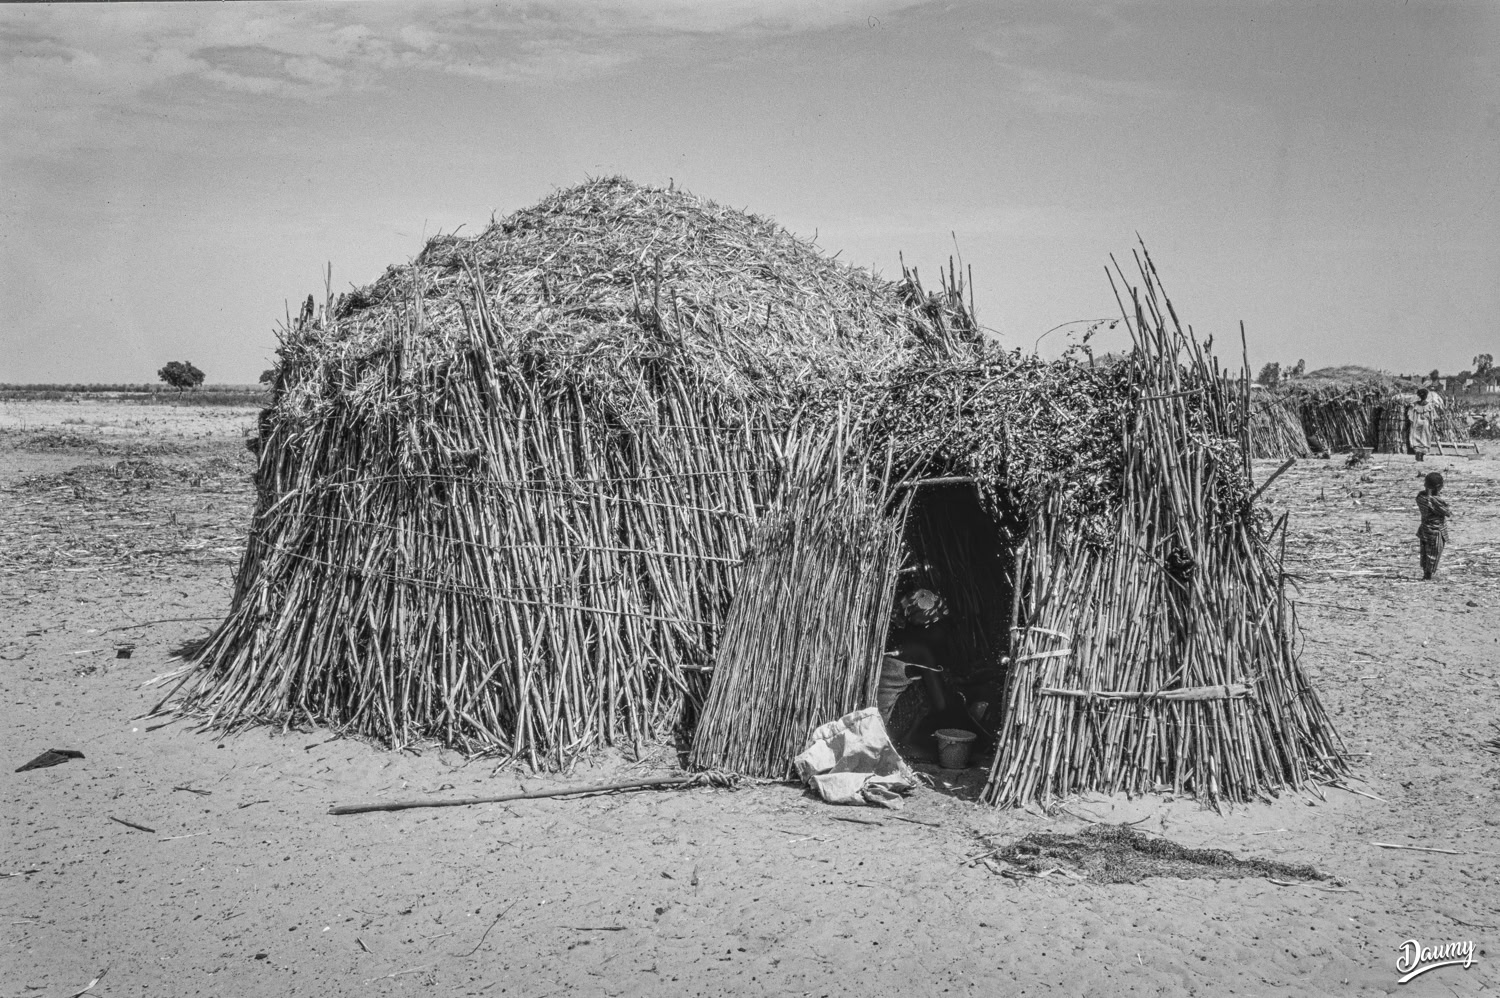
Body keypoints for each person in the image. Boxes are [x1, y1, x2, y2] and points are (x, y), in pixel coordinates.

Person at [1415, 471, 1451, 580]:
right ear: (1439, 487)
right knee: (1434, 553)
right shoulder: (1435, 501)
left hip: (1424, 529)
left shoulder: (1420, 497)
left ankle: (1426, 573)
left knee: (1425, 552)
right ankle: (1428, 575)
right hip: (1436, 531)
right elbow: (1447, 512)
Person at [1406, 387, 1445, 461]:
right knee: (1425, 438)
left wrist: (1412, 422)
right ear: (1426, 396)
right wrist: (1432, 423)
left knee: (1416, 437)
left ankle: (1418, 453)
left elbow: (1410, 416)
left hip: (1416, 423)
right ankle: (1421, 455)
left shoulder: (1415, 405)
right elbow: (1432, 417)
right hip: (1425, 424)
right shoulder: (1429, 405)